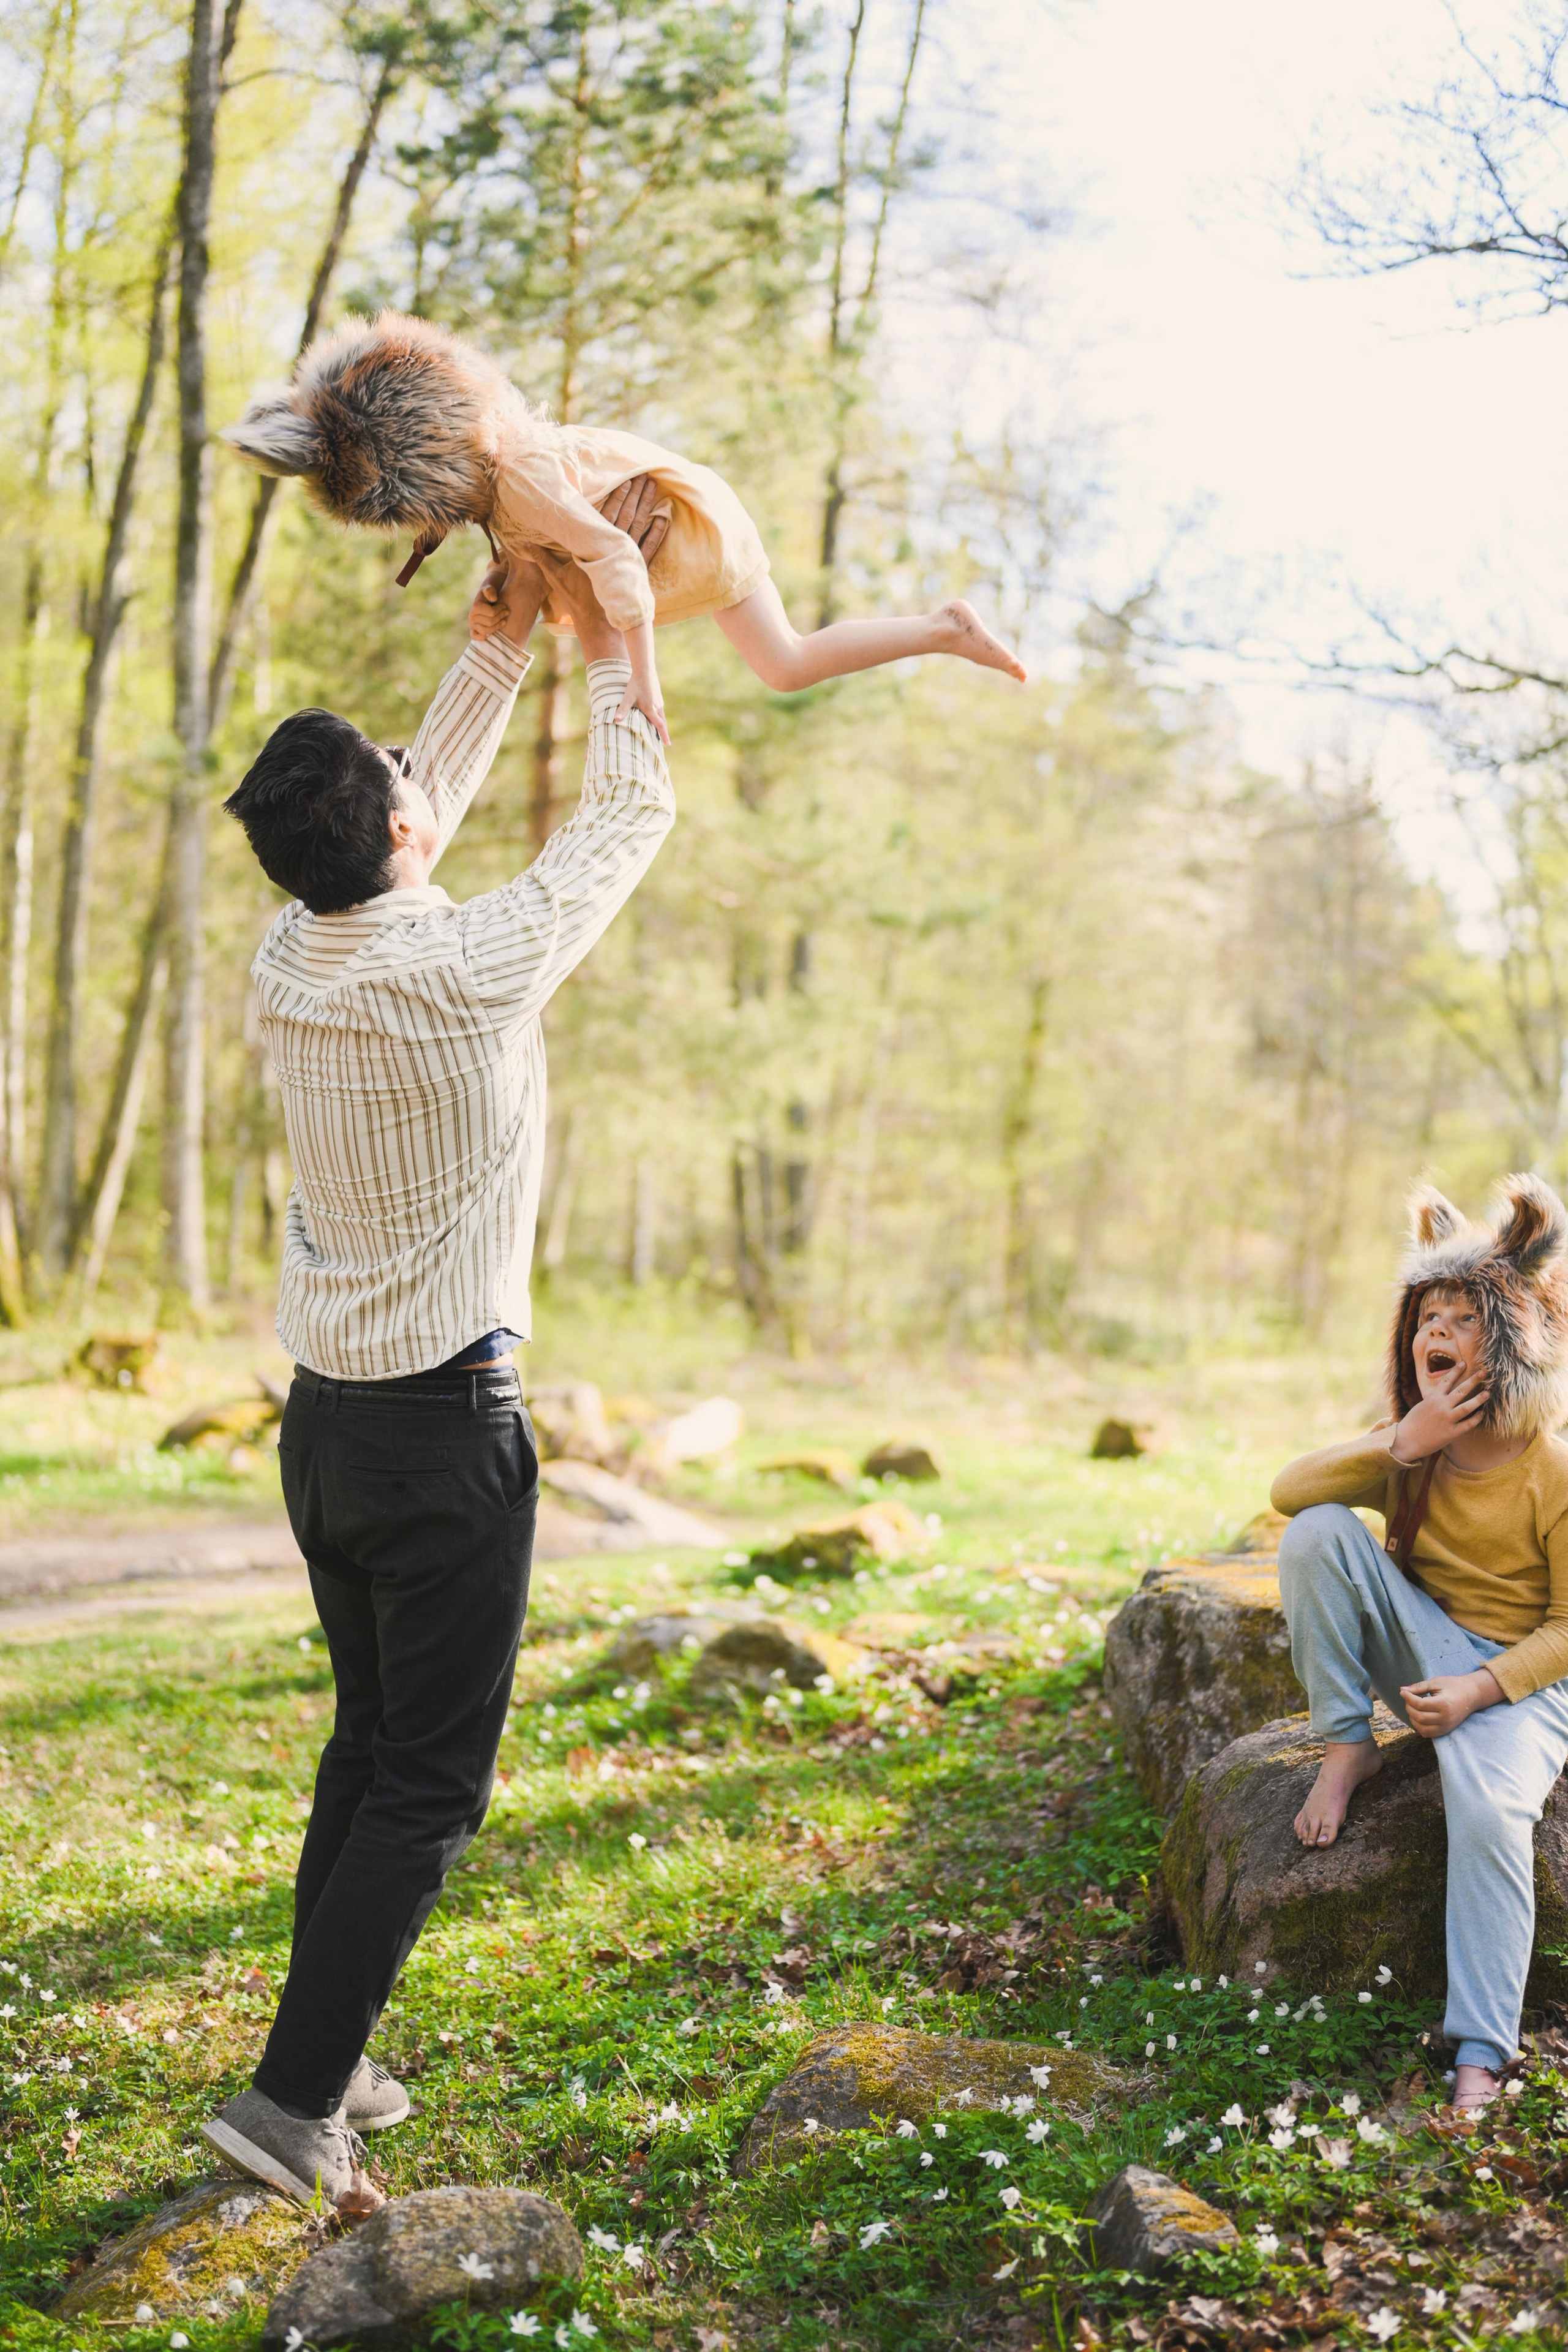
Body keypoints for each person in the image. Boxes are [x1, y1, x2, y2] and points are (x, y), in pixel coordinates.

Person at [200, 513, 674, 2209]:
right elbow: (633, 811)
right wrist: (616, 625)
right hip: (441, 1440)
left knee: (365, 1749)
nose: (424, 795)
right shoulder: (472, 971)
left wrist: (493, 644)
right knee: (429, 1785)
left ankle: (327, 2052)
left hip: (325, 1437)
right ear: (399, 828)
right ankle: (284, 2109)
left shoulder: (291, 952)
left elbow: (404, 817)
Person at [222, 307, 1027, 749]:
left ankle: (944, 628)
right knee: (786, 666)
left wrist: (645, 676)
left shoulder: (523, 484)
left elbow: (612, 554)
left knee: (784, 665)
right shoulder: (506, 485)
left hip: (683, 532)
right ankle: (942, 628)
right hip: (686, 523)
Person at [1272, 1174, 1568, 2116]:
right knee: (1319, 1531)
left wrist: (1482, 1691)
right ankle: (1347, 1742)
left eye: (1461, 1318)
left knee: (1489, 1818)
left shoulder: (1552, 1466)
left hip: (1523, 1680)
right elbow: (1290, 1491)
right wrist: (1403, 1443)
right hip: (1423, 1638)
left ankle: (1480, 2048)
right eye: (1424, 1317)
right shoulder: (1413, 1441)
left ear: (1514, 1337)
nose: (1435, 1333)